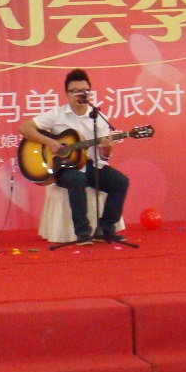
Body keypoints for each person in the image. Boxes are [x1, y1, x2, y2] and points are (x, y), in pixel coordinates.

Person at [19, 69, 129, 243]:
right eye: (75, 91)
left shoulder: (98, 118)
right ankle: (83, 232)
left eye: (84, 91)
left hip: (91, 164)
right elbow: (25, 128)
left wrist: (107, 150)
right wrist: (49, 142)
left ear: (89, 93)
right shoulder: (57, 114)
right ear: (67, 94)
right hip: (64, 167)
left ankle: (106, 228)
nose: (80, 94)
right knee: (77, 179)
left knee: (121, 182)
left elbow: (104, 156)